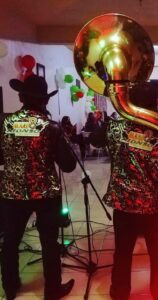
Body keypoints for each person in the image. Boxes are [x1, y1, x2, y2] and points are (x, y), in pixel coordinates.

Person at [89, 83, 158, 300]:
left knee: (122, 252)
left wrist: (118, 113)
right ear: (154, 104)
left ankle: (119, 292)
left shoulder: (114, 127)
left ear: (129, 102)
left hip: (124, 205)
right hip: (154, 206)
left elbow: (94, 139)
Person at [0, 75, 77, 300]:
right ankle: (52, 290)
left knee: (11, 241)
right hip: (45, 194)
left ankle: (10, 286)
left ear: (22, 97)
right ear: (44, 101)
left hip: (12, 193)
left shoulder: (5, 123)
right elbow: (69, 165)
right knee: (49, 243)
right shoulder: (50, 127)